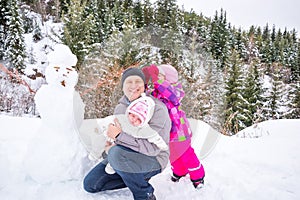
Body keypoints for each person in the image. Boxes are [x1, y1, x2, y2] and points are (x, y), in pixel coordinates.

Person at [83, 67, 171, 200]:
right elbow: (116, 138)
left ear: (144, 86)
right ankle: (134, 177)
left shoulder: (157, 109)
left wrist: (119, 137)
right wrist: (109, 145)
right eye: (129, 82)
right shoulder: (121, 107)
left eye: (138, 82)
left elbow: (153, 149)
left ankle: (144, 194)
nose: (133, 86)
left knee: (116, 153)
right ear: (123, 86)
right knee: (91, 184)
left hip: (154, 159)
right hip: (125, 156)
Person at [142, 64, 205, 189]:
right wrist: (145, 81)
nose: (156, 79)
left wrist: (157, 80)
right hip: (167, 132)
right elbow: (145, 98)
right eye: (156, 76)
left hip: (180, 133)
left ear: (169, 79)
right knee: (173, 155)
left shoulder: (176, 91)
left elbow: (171, 94)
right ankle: (180, 171)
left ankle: (198, 176)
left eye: (159, 76)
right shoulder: (157, 93)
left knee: (186, 155)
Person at [104, 93, 168, 174]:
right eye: (133, 116)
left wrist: (162, 145)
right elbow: (110, 127)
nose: (134, 120)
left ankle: (115, 165)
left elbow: (154, 137)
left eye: (139, 119)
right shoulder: (122, 121)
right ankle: (111, 162)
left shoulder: (143, 129)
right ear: (129, 113)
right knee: (113, 150)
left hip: (134, 152)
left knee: (118, 153)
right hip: (119, 145)